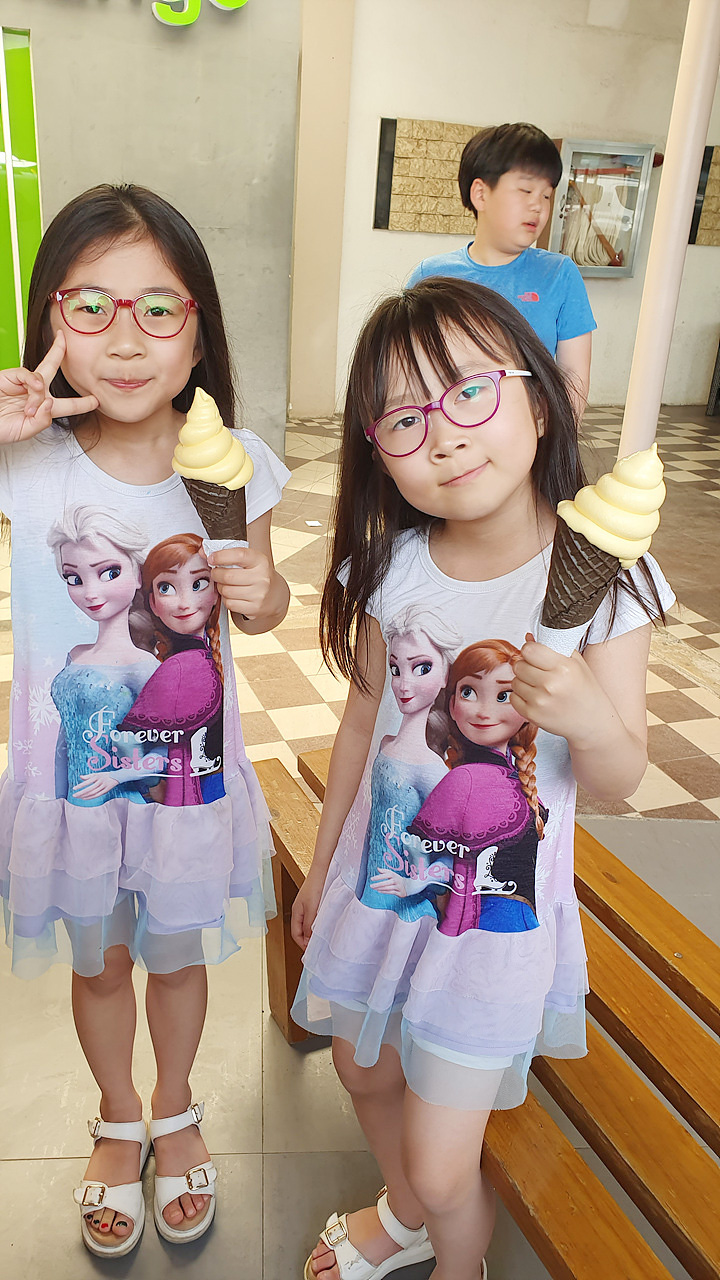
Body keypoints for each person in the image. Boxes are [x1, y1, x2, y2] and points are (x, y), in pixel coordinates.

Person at [290, 277, 673, 1280]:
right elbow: (363, 723)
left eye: (469, 392)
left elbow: (622, 775)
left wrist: (584, 712)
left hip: (492, 923)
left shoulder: (607, 582)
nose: (445, 437)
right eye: (404, 418)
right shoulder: (390, 569)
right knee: (360, 1066)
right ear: (377, 451)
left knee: (445, 1160)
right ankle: (407, 1216)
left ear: (538, 403)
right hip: (383, 887)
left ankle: (453, 1250)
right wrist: (324, 868)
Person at [0, 183, 290, 1257]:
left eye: (158, 309)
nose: (125, 339)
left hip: (183, 783)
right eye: (91, 306)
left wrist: (265, 594)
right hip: (74, 784)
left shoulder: (236, 459)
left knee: (174, 955)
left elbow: (265, 606)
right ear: (50, 321)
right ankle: (118, 1114)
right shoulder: (25, 461)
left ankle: (175, 1103)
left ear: (199, 331)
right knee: (98, 963)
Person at [406, 122, 596, 416]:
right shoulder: (431, 276)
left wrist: (558, 435)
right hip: (455, 429)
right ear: (480, 194)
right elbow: (409, 369)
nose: (538, 206)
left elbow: (574, 378)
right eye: (526, 190)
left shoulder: (559, 275)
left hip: (532, 433)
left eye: (546, 195)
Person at [372, 639, 547, 936]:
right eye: (469, 692)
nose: (484, 711)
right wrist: (417, 882)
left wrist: (420, 881)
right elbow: (430, 852)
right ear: (452, 705)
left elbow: (428, 851)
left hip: (490, 922)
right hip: (494, 922)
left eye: (504, 695)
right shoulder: (464, 779)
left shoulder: (489, 776)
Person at [355, 604, 460, 922]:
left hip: (406, 912)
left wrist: (418, 880)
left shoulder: (432, 771)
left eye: (422, 668)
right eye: (396, 668)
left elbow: (452, 853)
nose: (403, 684)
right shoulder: (386, 744)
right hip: (369, 894)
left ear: (445, 675)